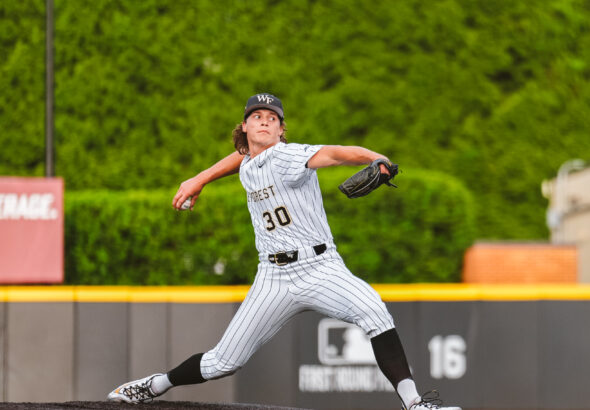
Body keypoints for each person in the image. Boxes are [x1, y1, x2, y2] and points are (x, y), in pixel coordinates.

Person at [108, 93, 461, 410]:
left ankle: (414, 404)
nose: (265, 121)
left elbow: (335, 154)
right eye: (257, 116)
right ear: (244, 127)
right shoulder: (247, 162)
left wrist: (375, 157)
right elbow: (239, 158)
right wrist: (199, 178)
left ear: (281, 131)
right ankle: (154, 385)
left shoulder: (288, 156)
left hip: (320, 267)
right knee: (222, 363)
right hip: (273, 277)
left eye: (272, 118)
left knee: (375, 312)